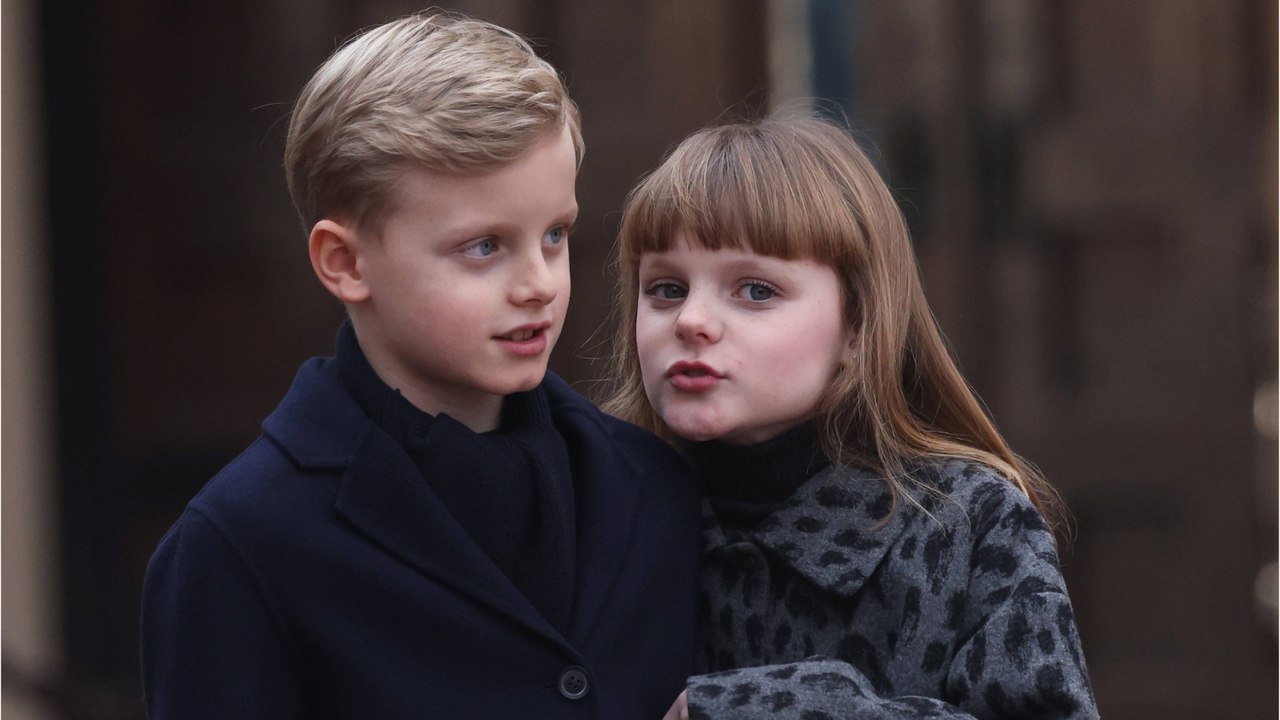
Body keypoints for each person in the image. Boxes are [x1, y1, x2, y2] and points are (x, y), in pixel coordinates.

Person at [140, 12, 701, 719]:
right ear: (344, 262)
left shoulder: (655, 486)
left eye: (555, 235)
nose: (539, 283)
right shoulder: (240, 544)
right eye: (484, 247)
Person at [604, 115, 1099, 719]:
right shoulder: (603, 516)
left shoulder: (966, 526)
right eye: (666, 289)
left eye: (756, 290)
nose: (691, 320)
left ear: (858, 328)